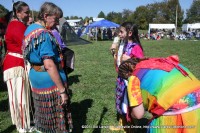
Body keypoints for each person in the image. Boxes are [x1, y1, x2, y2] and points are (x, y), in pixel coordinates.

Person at [23, 2, 72, 133]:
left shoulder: (30, 29)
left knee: (44, 117)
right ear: (45, 16)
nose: (57, 24)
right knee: (55, 120)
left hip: (36, 77)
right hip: (49, 81)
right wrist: (62, 90)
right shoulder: (43, 35)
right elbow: (49, 65)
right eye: (55, 19)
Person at [118, 55, 200, 133]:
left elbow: (138, 114)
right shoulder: (162, 62)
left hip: (176, 109)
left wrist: (131, 113)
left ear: (127, 75)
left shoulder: (133, 78)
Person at [2, 1, 32, 132]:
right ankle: (21, 126)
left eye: (28, 12)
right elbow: (26, 44)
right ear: (18, 12)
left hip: (17, 63)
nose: (28, 14)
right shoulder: (16, 25)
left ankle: (25, 123)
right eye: (26, 12)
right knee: (19, 97)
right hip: (15, 65)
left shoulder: (18, 24)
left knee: (21, 96)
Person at [110, 22, 144, 132]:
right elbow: (120, 60)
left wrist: (129, 59)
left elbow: (141, 65)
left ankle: (131, 128)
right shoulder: (123, 44)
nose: (119, 34)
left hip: (130, 81)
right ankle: (122, 123)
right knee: (120, 100)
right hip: (121, 79)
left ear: (129, 33)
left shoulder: (136, 47)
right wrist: (115, 55)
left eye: (121, 32)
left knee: (129, 103)